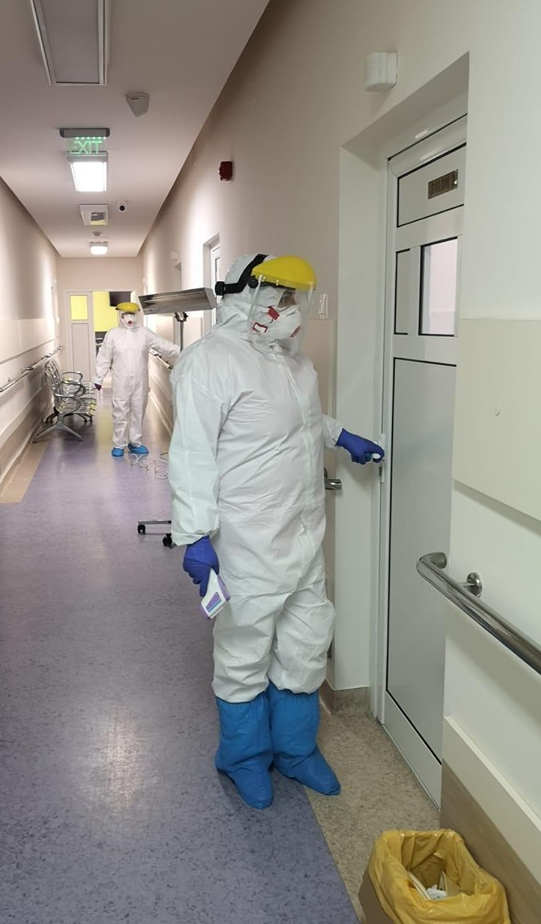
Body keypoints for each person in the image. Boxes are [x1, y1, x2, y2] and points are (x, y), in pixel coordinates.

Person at [168, 254, 384, 810]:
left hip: (303, 532)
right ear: (250, 296)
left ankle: (296, 751)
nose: (292, 311)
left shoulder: (295, 363)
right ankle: (242, 757)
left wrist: (341, 435)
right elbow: (191, 454)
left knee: (307, 641)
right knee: (244, 649)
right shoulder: (209, 362)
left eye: (297, 300)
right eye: (282, 297)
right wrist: (195, 536)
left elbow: (296, 421)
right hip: (246, 540)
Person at [94, 301, 180, 457]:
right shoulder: (113, 334)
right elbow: (104, 357)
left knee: (138, 410)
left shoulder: (144, 333)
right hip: (121, 381)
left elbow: (162, 345)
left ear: (137, 315)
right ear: (119, 315)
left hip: (140, 381)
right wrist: (99, 378)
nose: (129, 318)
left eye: (132, 314)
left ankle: (135, 443)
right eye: (125, 314)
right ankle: (118, 444)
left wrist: (183, 351)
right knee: (120, 411)